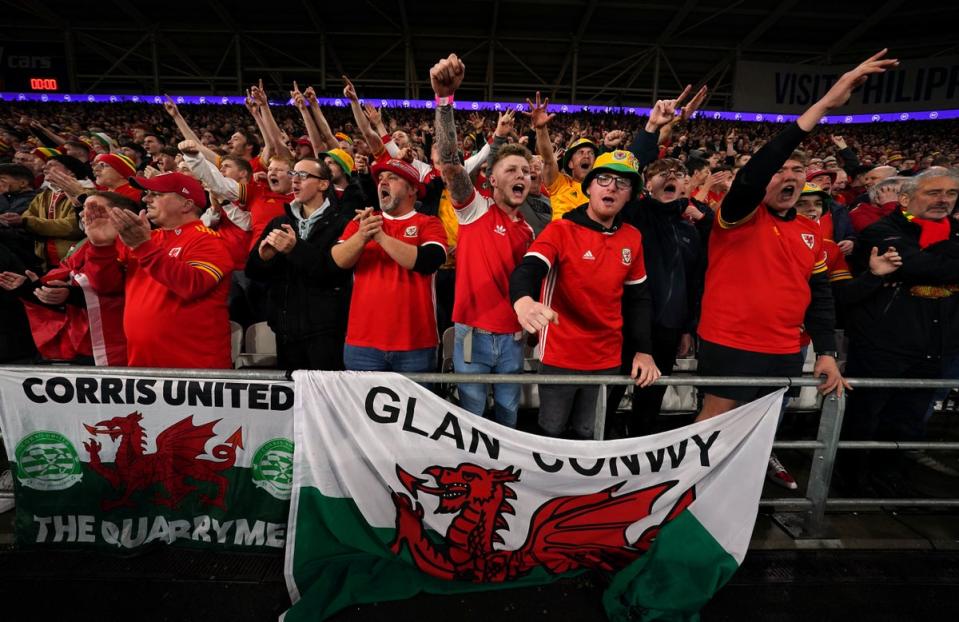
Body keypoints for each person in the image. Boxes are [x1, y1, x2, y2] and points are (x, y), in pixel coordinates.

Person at [693, 51, 899, 423]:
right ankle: (696, 483)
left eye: (797, 170)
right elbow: (754, 175)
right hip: (730, 343)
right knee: (713, 428)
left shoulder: (811, 230)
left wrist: (825, 351)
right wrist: (822, 105)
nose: (788, 176)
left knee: (762, 432)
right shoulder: (737, 215)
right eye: (780, 170)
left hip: (786, 349)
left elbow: (820, 297)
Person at [510, 149, 660, 440]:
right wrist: (523, 300)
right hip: (561, 356)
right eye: (603, 179)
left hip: (607, 358)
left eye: (622, 182)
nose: (612, 187)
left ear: (630, 195)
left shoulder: (632, 237)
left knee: (589, 432)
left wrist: (644, 349)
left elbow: (638, 298)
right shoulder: (561, 230)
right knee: (551, 429)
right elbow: (528, 268)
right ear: (588, 187)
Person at [430, 53, 535, 428]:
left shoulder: (529, 229)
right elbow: (451, 164)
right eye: (512, 169)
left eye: (526, 170)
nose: (522, 174)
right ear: (492, 179)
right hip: (471, 335)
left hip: (512, 338)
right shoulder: (474, 209)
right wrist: (444, 104)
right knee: (472, 414)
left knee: (508, 413)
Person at [841, 169, 959, 493]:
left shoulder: (954, 233)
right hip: (883, 343)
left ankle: (890, 476)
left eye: (950, 193)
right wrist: (926, 263)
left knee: (908, 420)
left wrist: (927, 261)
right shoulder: (882, 231)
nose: (943, 200)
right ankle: (850, 481)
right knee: (866, 417)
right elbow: (918, 266)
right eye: (934, 192)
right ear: (905, 198)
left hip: (936, 345)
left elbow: (923, 265)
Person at [82, 172, 234, 368]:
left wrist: (142, 247)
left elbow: (193, 284)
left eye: (157, 194)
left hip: (195, 369)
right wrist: (100, 246)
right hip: (142, 365)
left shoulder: (208, 240)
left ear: (187, 204)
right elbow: (105, 285)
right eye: (146, 193)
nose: (146, 198)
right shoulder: (146, 238)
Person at [332, 158, 447, 372]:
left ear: (413, 188)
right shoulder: (363, 223)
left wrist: (381, 237)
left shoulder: (429, 223)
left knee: (417, 406)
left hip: (415, 344)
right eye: (380, 179)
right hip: (362, 343)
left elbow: (428, 261)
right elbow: (338, 261)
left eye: (392, 178)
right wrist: (362, 236)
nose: (383, 183)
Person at [245, 158, 353, 370]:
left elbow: (332, 272)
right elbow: (253, 271)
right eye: (293, 174)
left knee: (323, 398)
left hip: (326, 333)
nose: (295, 180)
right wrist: (263, 259)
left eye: (303, 176)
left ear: (323, 184)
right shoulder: (279, 222)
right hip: (285, 331)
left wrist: (295, 249)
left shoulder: (343, 224)